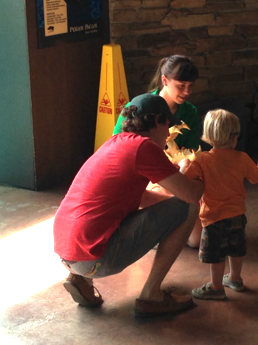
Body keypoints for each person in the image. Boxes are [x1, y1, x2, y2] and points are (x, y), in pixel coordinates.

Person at [54, 93, 204, 318]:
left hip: (67, 252)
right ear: (155, 121)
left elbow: (140, 197)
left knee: (176, 206)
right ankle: (151, 295)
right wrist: (197, 172)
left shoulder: (114, 143)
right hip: (95, 258)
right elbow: (191, 194)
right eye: (167, 126)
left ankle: (79, 278)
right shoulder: (143, 147)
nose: (167, 134)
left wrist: (173, 206)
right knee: (190, 207)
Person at [113, 55, 202, 248]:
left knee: (196, 240)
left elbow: (191, 151)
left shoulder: (190, 112)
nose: (187, 91)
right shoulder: (138, 106)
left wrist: (186, 164)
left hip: (176, 173)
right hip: (146, 176)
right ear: (165, 80)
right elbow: (117, 145)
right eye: (181, 85)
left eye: (190, 85)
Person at [180, 109, 258, 300]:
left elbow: (185, 179)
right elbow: (255, 179)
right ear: (235, 137)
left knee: (216, 254)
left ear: (208, 136)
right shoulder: (243, 158)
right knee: (236, 249)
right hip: (237, 215)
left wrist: (184, 164)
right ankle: (235, 279)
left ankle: (216, 287)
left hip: (213, 218)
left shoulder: (202, 160)